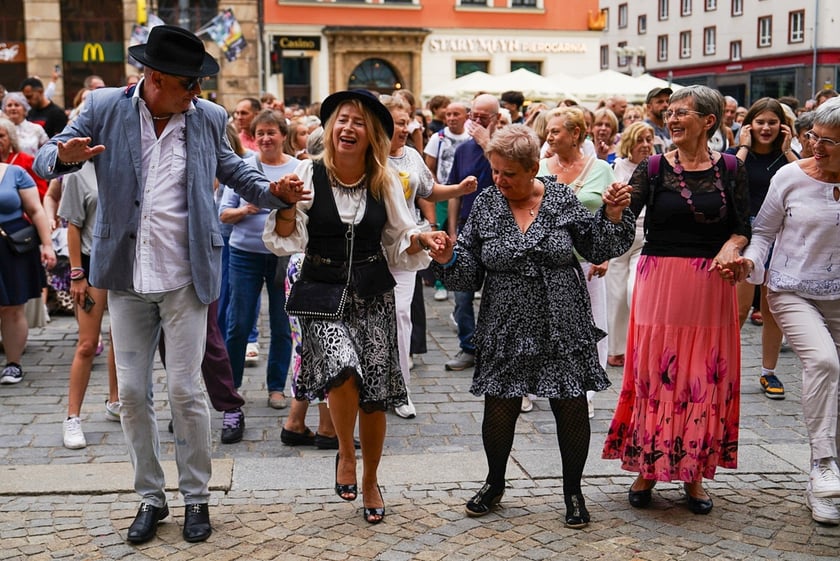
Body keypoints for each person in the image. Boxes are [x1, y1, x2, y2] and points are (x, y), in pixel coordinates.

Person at [33, 25, 294, 544]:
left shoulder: (208, 118)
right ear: (154, 78)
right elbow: (47, 157)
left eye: (199, 84)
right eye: (187, 83)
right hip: (127, 273)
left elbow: (238, 171)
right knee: (131, 393)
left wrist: (275, 192)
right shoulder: (104, 105)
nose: (196, 93)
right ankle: (150, 498)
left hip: (185, 273)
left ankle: (195, 496)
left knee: (185, 390)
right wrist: (69, 155)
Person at [430, 124, 634, 526]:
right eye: (495, 171)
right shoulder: (487, 204)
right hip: (505, 319)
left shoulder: (559, 197)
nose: (499, 180)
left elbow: (595, 246)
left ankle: (573, 492)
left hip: (562, 317)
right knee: (500, 404)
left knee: (571, 405)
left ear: (532, 168)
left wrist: (611, 215)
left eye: (509, 173)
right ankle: (495, 482)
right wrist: (448, 257)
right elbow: (469, 270)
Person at [262, 89, 445, 524]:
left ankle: (371, 479)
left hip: (372, 292)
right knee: (343, 368)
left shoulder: (382, 178)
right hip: (321, 292)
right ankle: (346, 451)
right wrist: (287, 205)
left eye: (358, 122)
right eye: (342, 119)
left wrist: (425, 239)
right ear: (330, 128)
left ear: (372, 135)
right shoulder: (309, 171)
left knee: (375, 395)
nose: (348, 127)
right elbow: (288, 236)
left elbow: (401, 237)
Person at [602, 85, 751, 516]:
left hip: (709, 284)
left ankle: (694, 473)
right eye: (669, 111)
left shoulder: (730, 169)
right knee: (655, 375)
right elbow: (622, 222)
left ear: (708, 121)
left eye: (682, 111)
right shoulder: (651, 168)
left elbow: (744, 226)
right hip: (659, 279)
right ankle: (647, 466)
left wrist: (731, 246)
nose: (672, 118)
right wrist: (613, 210)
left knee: (700, 377)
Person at [740, 97, 840, 525]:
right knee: (823, 361)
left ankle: (824, 487)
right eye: (814, 136)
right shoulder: (789, 176)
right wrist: (750, 263)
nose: (816, 145)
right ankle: (823, 463)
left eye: (829, 141)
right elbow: (763, 232)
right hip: (790, 288)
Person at [382, 94, 477, 418]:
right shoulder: (370, 158)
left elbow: (428, 189)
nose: (405, 128)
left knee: (400, 316)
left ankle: (400, 391)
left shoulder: (410, 156)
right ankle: (371, 386)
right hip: (371, 249)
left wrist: (458, 189)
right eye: (398, 122)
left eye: (407, 121)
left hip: (407, 246)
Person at [539, 105, 618, 417]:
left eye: (555, 130)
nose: (549, 135)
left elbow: (613, 217)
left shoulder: (601, 169)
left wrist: (607, 255)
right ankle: (537, 384)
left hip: (587, 262)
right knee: (544, 324)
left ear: (575, 134)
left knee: (592, 326)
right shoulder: (541, 166)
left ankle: (586, 389)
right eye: (548, 130)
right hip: (548, 262)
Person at [219, 109, 296, 410]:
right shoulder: (241, 167)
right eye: (260, 133)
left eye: (271, 132)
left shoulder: (298, 168)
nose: (265, 138)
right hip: (244, 254)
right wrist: (246, 210)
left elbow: (306, 211)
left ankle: (276, 387)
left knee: (281, 324)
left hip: (282, 256)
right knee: (238, 323)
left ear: (283, 136)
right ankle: (232, 387)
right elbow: (223, 215)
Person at [729, 98, 799, 400]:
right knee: (739, 308)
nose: (766, 128)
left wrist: (786, 149)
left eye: (773, 122)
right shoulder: (734, 156)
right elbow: (730, 179)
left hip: (781, 237)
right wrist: (742, 146)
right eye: (761, 122)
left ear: (782, 126)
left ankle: (769, 372)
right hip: (745, 235)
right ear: (750, 125)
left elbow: (807, 179)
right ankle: (726, 370)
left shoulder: (789, 158)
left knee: (772, 308)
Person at [57, 162, 120, 449]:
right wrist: (76, 273)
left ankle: (116, 401)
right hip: (91, 263)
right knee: (87, 344)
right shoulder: (78, 174)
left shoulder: (128, 162)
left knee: (121, 338)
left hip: (124, 261)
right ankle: (72, 417)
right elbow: (73, 225)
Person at [444, 94, 500, 372]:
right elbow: (455, 192)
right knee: (462, 293)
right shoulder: (463, 150)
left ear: (497, 119)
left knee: (496, 293)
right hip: (467, 229)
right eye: (473, 116)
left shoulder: (505, 146)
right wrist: (453, 230)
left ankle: (493, 349)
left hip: (499, 231)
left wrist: (487, 144)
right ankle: (468, 347)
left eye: (483, 117)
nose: (476, 122)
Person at [604, 121, 655, 369]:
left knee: (634, 290)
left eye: (649, 140)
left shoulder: (656, 168)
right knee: (614, 294)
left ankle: (637, 343)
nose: (645, 145)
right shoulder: (617, 167)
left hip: (645, 237)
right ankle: (615, 349)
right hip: (619, 237)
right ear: (629, 143)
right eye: (640, 140)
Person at [0, 162, 56, 384]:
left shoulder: (16, 173)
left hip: (11, 246)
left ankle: (13, 364)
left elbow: (35, 210)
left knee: (12, 307)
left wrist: (48, 245)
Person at [1, 92, 48, 160]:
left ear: (25, 109)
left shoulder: (36, 128)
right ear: (4, 110)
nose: (13, 108)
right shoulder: (2, 130)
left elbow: (47, 150)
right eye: (9, 105)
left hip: (31, 168)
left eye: (17, 105)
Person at [644, 86, 672, 153]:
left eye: (668, 101)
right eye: (660, 102)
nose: (666, 105)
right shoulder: (643, 129)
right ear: (649, 107)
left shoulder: (672, 126)